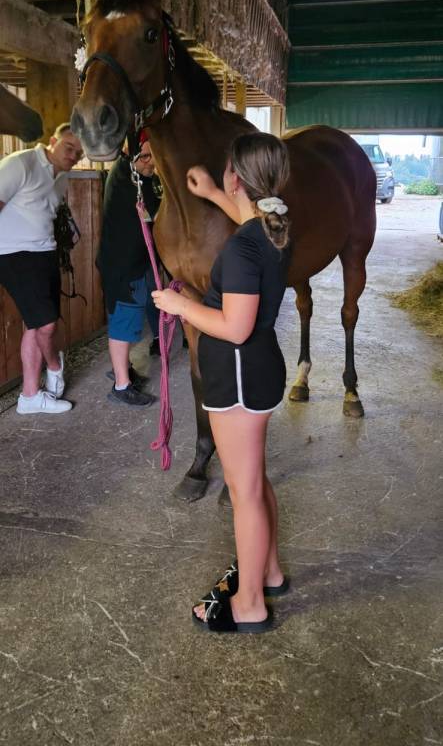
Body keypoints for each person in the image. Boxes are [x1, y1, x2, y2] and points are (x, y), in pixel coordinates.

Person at [152, 131, 291, 634]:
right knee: (254, 481)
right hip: (258, 370)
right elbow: (248, 222)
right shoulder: (273, 227)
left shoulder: (240, 252)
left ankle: (250, 603)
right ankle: (267, 572)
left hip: (236, 376)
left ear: (237, 175)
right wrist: (212, 193)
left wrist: (181, 304)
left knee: (244, 490)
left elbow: (234, 327)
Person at [0, 123, 84, 414]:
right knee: (46, 325)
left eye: (79, 153)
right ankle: (55, 365)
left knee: (35, 325)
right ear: (52, 141)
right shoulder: (20, 164)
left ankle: (30, 397)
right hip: (14, 254)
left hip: (45, 253)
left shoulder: (63, 176)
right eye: (69, 147)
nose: (73, 156)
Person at [96, 138, 162, 406]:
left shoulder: (135, 175)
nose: (151, 163)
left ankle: (125, 370)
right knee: (125, 322)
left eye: (152, 156)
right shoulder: (127, 179)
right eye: (145, 157)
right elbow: (155, 213)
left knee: (129, 318)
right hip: (124, 266)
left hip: (134, 261)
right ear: (128, 153)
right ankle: (121, 386)